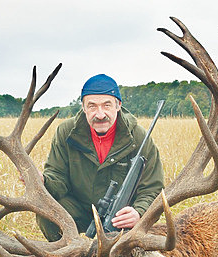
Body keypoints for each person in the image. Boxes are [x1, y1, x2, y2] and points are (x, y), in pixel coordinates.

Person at [36, 74, 164, 242]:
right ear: (83, 107)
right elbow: (58, 178)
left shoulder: (139, 137)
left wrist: (138, 212)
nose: (100, 114)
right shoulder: (66, 132)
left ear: (118, 105)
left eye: (106, 105)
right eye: (92, 106)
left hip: (120, 216)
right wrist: (43, 181)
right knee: (47, 212)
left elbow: (152, 187)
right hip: (80, 209)